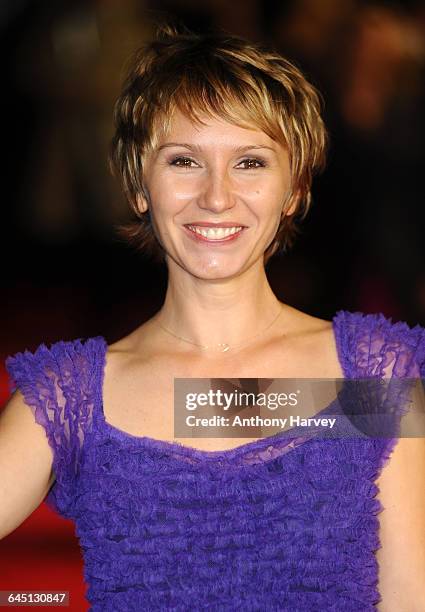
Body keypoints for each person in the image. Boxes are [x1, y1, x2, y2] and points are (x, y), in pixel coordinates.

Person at [1, 22, 424, 611]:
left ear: (295, 188)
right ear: (138, 184)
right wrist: (31, 600)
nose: (217, 196)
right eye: (183, 160)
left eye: (250, 162)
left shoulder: (373, 375)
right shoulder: (73, 394)